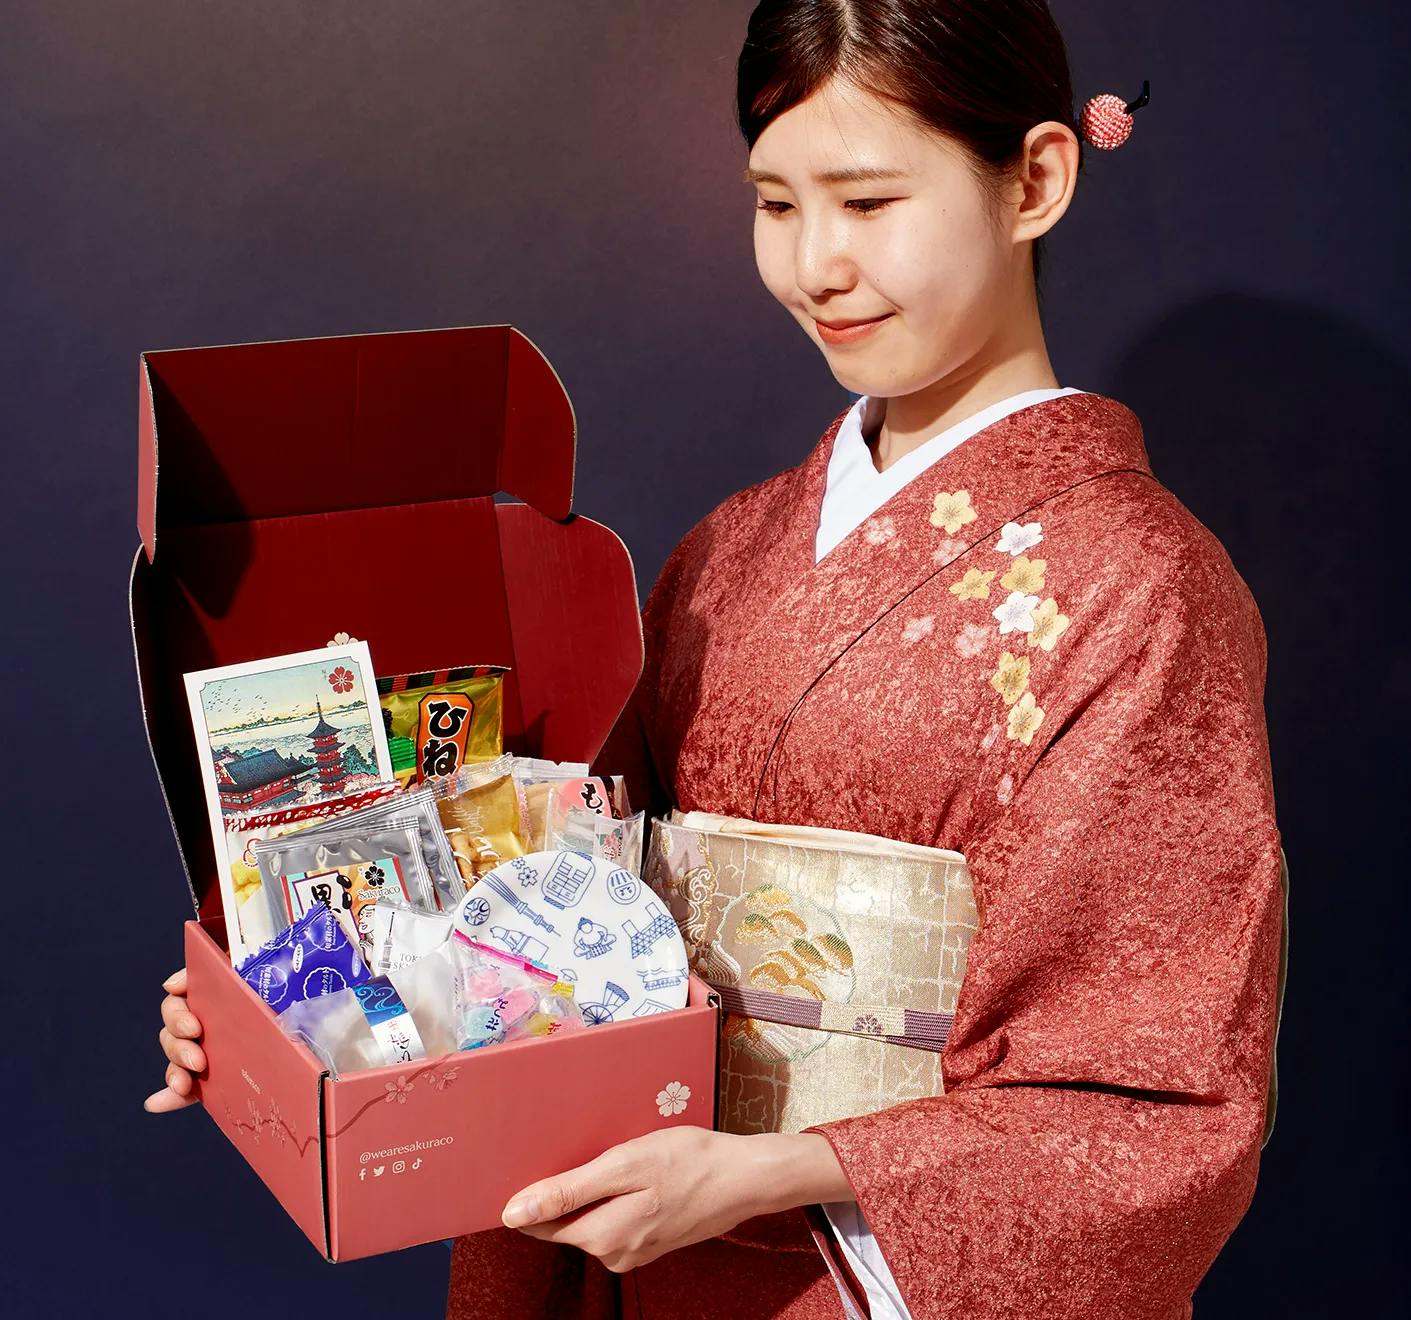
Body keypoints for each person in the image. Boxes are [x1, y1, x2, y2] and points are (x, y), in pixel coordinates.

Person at [149, 3, 1285, 1316]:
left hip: (856, 1275)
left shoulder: (1142, 590)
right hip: (645, 1236)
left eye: (865, 202)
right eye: (776, 203)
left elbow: (1144, 1101)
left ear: (1034, 179)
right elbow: (536, 903)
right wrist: (296, 1002)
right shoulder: (729, 550)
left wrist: (760, 1174)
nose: (815, 266)